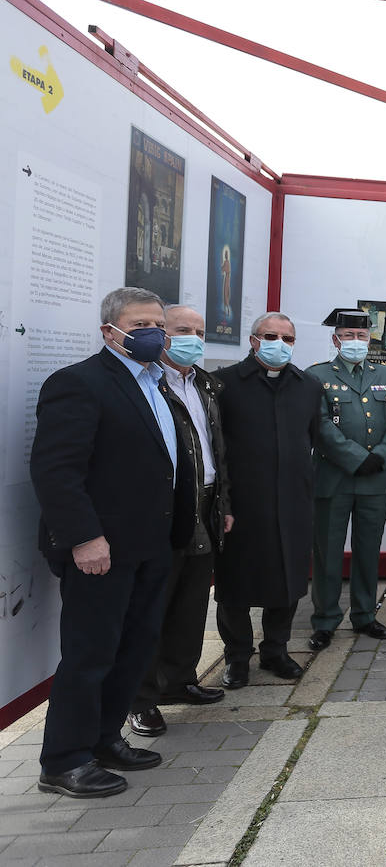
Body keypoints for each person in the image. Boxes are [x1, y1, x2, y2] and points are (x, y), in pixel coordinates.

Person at [32, 287, 194, 797]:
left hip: (151, 544)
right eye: (140, 323)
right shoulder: (78, 383)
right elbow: (56, 470)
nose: (154, 333)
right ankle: (64, 759)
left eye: (159, 324)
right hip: (101, 549)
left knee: (132, 648)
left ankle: (104, 740)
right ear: (110, 331)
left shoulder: (157, 383)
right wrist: (84, 538)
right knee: (90, 653)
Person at [128, 306, 232, 740]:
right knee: (154, 604)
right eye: (182, 330)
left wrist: (223, 502)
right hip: (167, 509)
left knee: (192, 600)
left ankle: (181, 678)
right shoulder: (148, 386)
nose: (192, 338)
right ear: (161, 334)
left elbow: (214, 450)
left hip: (205, 504)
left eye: (199, 331)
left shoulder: (205, 383)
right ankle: (142, 699)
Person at [214, 312, 320, 688]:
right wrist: (223, 503)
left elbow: (312, 439)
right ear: (253, 339)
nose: (280, 344)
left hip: (292, 502)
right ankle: (237, 657)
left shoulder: (307, 385)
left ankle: (275, 650)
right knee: (235, 584)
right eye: (270, 336)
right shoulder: (223, 384)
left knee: (288, 581)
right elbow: (216, 448)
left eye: (287, 338)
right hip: (242, 503)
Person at [305, 309, 386, 651]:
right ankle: (325, 620)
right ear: (336, 340)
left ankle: (365, 615)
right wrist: (357, 458)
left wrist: (381, 455)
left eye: (362, 337)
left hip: (375, 479)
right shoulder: (317, 376)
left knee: (368, 552)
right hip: (333, 478)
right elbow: (319, 425)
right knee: (327, 553)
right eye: (348, 336)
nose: (355, 342)